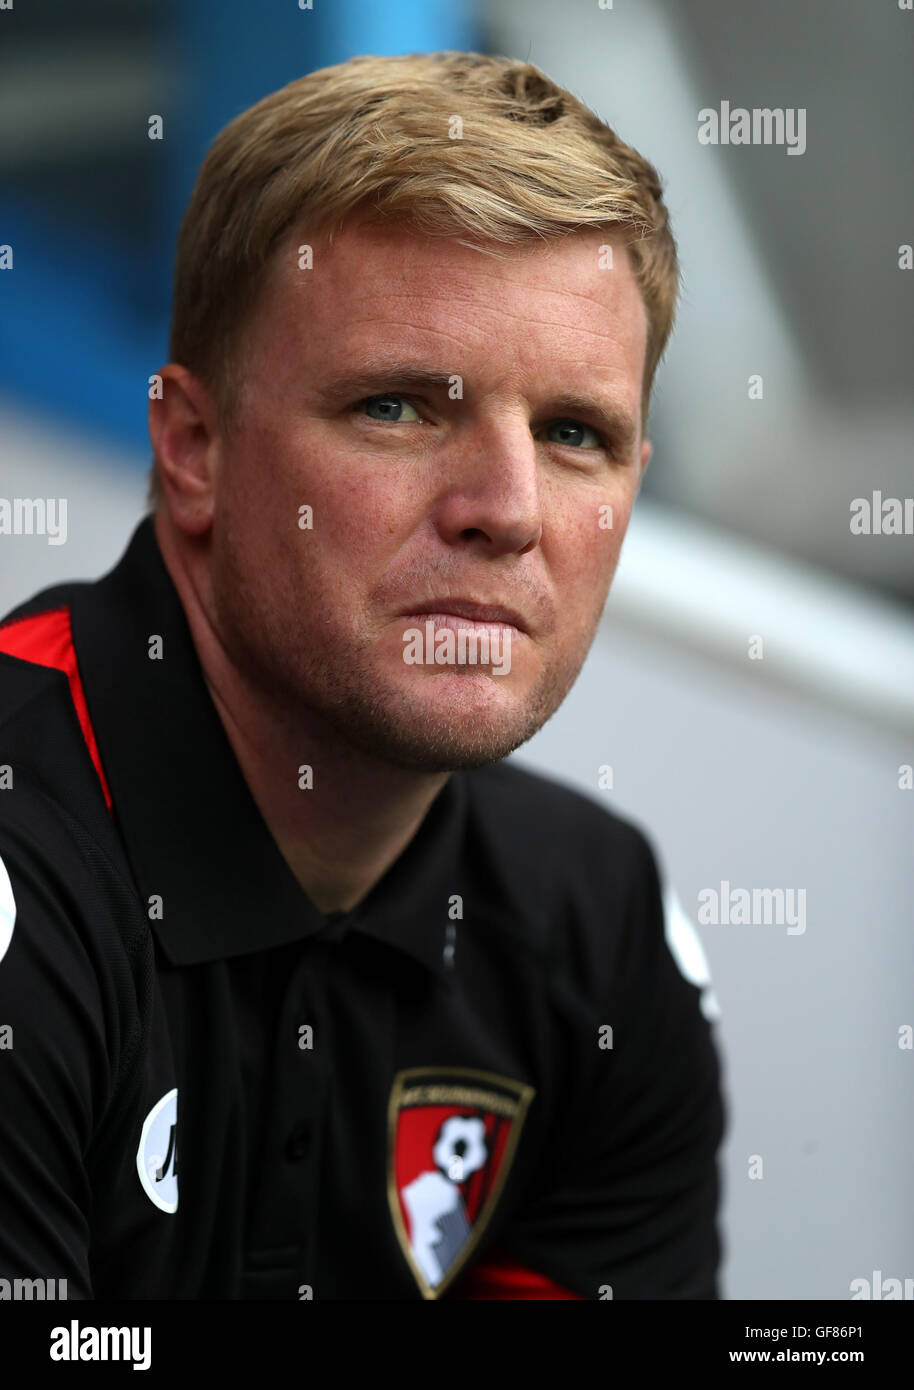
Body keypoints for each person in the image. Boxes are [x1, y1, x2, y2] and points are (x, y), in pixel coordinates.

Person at [0, 50, 726, 1300]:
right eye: (397, 407)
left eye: (572, 434)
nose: (506, 512)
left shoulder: (598, 927)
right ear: (193, 451)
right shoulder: (26, 875)